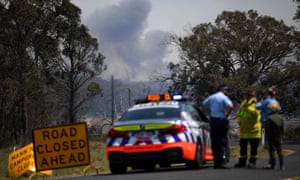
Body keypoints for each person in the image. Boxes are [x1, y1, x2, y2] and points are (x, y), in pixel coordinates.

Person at [202, 84, 234, 169]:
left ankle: (216, 161)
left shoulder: (212, 97)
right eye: (227, 90)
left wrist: (210, 113)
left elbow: (204, 104)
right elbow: (231, 106)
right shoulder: (223, 97)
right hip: (222, 120)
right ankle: (223, 161)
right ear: (223, 90)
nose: (227, 92)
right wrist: (227, 114)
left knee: (215, 141)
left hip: (213, 120)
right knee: (222, 140)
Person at [235, 90, 261, 168]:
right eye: (247, 95)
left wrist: (249, 108)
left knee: (254, 149)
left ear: (253, 96)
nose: (248, 96)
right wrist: (239, 121)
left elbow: (257, 116)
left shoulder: (257, 104)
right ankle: (242, 162)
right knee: (243, 148)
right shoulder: (243, 103)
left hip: (254, 131)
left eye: (250, 95)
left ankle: (252, 162)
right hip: (244, 130)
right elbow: (239, 113)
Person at [264, 101, 285, 170]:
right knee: (280, 151)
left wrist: (266, 140)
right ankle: (282, 166)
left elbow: (267, 129)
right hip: (279, 137)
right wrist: (282, 136)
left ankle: (273, 165)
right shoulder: (280, 117)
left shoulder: (269, 118)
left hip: (271, 137)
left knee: (272, 151)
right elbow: (282, 128)